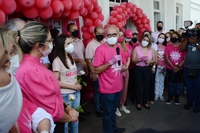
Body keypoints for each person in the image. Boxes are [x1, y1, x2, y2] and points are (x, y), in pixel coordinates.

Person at [15, 21, 78, 133]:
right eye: (49, 41)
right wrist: (70, 118)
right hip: (51, 124)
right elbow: (50, 110)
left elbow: (51, 96)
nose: (51, 44)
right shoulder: (30, 71)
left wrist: (67, 107)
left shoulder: (35, 64)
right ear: (38, 46)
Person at [93, 25, 126, 133]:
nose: (111, 37)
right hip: (107, 88)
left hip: (118, 86)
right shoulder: (100, 50)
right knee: (107, 113)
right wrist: (110, 62)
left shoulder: (118, 47)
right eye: (109, 35)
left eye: (114, 35)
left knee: (113, 110)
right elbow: (96, 70)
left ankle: (114, 128)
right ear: (105, 36)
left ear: (118, 35)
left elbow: (122, 64)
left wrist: (123, 68)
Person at [52, 34, 82, 133]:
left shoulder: (70, 57)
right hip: (65, 95)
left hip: (76, 93)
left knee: (75, 118)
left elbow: (72, 74)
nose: (71, 45)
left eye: (71, 43)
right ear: (61, 46)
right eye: (68, 43)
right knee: (66, 121)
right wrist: (73, 86)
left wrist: (76, 82)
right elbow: (56, 82)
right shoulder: (57, 61)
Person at [67, 23, 90, 120]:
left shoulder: (80, 41)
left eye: (77, 29)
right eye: (73, 30)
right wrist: (79, 60)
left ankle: (81, 110)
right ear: (69, 32)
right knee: (74, 94)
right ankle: (75, 113)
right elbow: (67, 57)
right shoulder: (68, 43)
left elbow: (84, 56)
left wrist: (86, 67)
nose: (76, 31)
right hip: (73, 72)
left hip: (82, 70)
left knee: (82, 92)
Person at [132, 34, 156, 110]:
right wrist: (139, 59)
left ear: (149, 42)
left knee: (146, 86)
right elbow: (133, 60)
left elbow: (154, 60)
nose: (145, 41)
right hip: (138, 69)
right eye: (144, 40)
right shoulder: (136, 48)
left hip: (147, 69)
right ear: (141, 40)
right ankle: (138, 102)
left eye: (147, 40)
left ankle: (145, 101)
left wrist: (149, 61)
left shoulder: (151, 49)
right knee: (138, 86)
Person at [180, 28, 200, 113]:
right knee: (189, 87)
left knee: (198, 88)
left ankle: (198, 105)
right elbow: (181, 48)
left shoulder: (198, 41)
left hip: (198, 69)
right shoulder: (188, 41)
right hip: (187, 67)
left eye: (193, 34)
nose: (192, 36)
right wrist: (186, 39)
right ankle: (189, 103)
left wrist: (196, 42)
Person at [85, 26, 104, 117]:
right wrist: (93, 73)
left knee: (103, 91)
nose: (100, 35)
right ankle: (98, 109)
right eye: (98, 34)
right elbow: (88, 60)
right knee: (97, 92)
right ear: (94, 34)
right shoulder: (90, 45)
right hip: (96, 72)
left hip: (104, 72)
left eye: (102, 33)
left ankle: (102, 106)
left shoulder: (104, 42)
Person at [164, 31, 186, 105]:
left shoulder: (182, 46)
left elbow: (185, 58)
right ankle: (170, 97)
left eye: (176, 37)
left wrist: (178, 66)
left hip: (180, 69)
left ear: (179, 37)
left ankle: (177, 97)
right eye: (173, 37)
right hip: (170, 68)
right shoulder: (168, 46)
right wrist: (173, 67)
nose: (174, 38)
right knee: (170, 83)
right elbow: (166, 58)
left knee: (178, 83)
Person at [115, 30, 131, 117]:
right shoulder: (114, 47)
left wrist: (126, 66)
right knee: (118, 89)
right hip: (117, 71)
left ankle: (122, 105)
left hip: (125, 70)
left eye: (122, 35)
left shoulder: (126, 46)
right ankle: (116, 107)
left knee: (125, 89)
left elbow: (128, 58)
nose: (120, 37)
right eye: (119, 35)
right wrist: (121, 67)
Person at [128, 32, 140, 104]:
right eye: (133, 36)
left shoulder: (138, 45)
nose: (134, 38)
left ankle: (133, 97)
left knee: (134, 82)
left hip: (135, 66)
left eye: (136, 36)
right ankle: (130, 95)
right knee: (129, 83)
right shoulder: (128, 44)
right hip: (128, 66)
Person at [154, 33, 167, 101]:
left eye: (163, 38)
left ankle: (160, 94)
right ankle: (156, 94)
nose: (161, 39)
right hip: (156, 66)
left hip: (163, 67)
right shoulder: (155, 45)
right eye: (160, 37)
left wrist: (164, 66)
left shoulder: (166, 47)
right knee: (156, 80)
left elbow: (167, 57)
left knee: (162, 81)